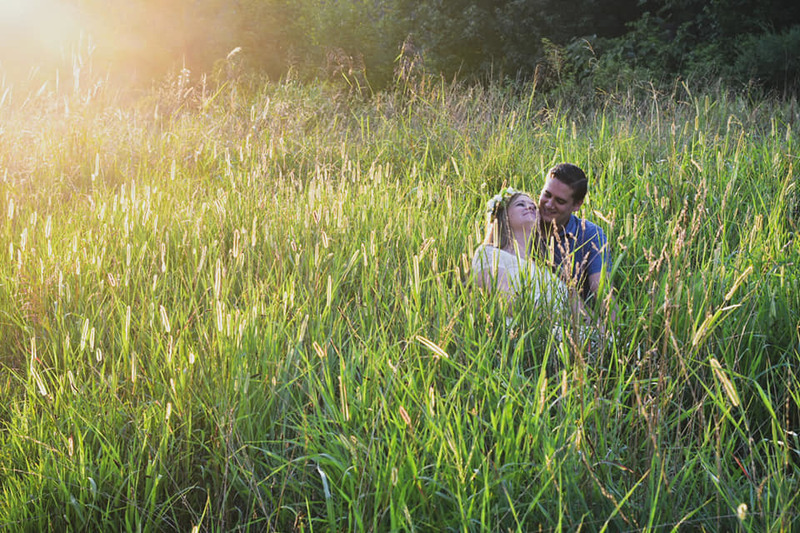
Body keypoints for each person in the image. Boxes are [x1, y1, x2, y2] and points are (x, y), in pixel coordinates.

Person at [471, 187, 572, 314]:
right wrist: (553, 321)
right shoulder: (489, 254)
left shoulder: (548, 271)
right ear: (504, 214)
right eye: (520, 204)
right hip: (520, 329)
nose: (530, 208)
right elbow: (509, 300)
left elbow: (579, 311)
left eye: (534, 207)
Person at [536, 163, 613, 315]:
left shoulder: (590, 235)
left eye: (560, 201)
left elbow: (602, 293)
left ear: (577, 205)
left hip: (573, 320)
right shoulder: (521, 222)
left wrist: (613, 331)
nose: (549, 204)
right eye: (547, 194)